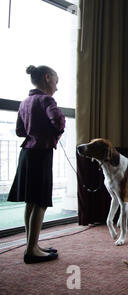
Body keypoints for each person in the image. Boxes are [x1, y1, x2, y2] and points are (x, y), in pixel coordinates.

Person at [8, 65, 65, 264]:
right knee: (40, 201)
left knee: (30, 201)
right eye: (56, 82)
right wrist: (50, 132)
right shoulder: (47, 100)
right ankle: (32, 251)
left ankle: (31, 245)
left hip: (27, 153)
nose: (57, 88)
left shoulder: (24, 102)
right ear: (47, 78)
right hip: (41, 154)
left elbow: (19, 131)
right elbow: (58, 122)